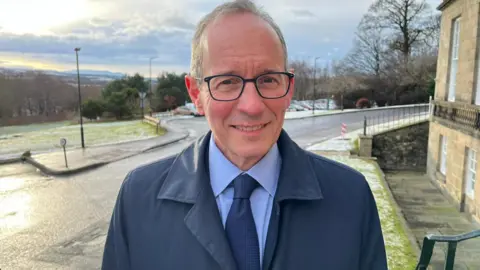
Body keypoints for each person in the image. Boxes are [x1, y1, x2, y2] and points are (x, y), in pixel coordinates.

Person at [101, 0, 388, 269]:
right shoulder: (138, 199)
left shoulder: (351, 199)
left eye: (268, 80)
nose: (251, 106)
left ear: (288, 89)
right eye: (227, 82)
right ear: (195, 94)